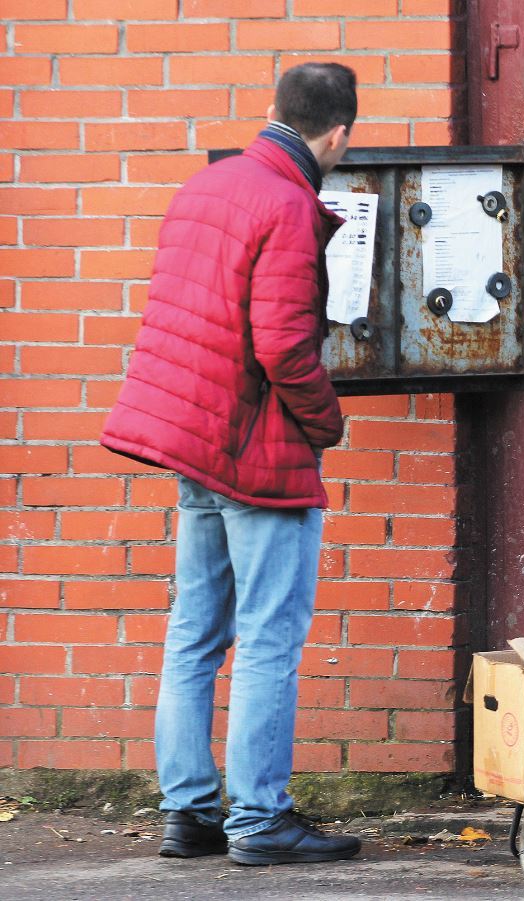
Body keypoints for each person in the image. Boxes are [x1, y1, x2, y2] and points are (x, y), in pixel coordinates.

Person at [101, 63, 361, 865]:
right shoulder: (287, 203)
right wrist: (325, 424)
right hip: (256, 448)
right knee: (270, 637)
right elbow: (283, 344)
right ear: (339, 134)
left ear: (274, 111)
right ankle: (259, 819)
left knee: (194, 634)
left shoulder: (207, 186)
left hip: (194, 439)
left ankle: (191, 813)